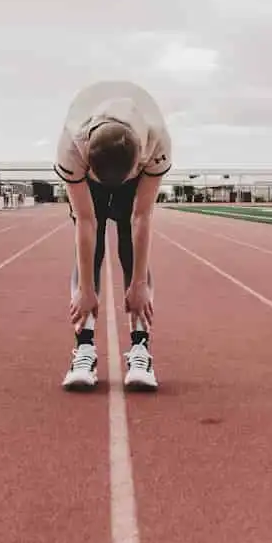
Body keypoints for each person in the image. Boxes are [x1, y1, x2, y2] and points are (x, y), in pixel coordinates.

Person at [56, 80, 171, 391]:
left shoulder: (157, 141)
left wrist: (138, 286)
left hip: (134, 176)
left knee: (130, 250)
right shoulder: (71, 148)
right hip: (90, 178)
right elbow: (85, 220)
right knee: (89, 257)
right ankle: (84, 348)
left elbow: (141, 216)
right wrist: (86, 290)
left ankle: (140, 348)